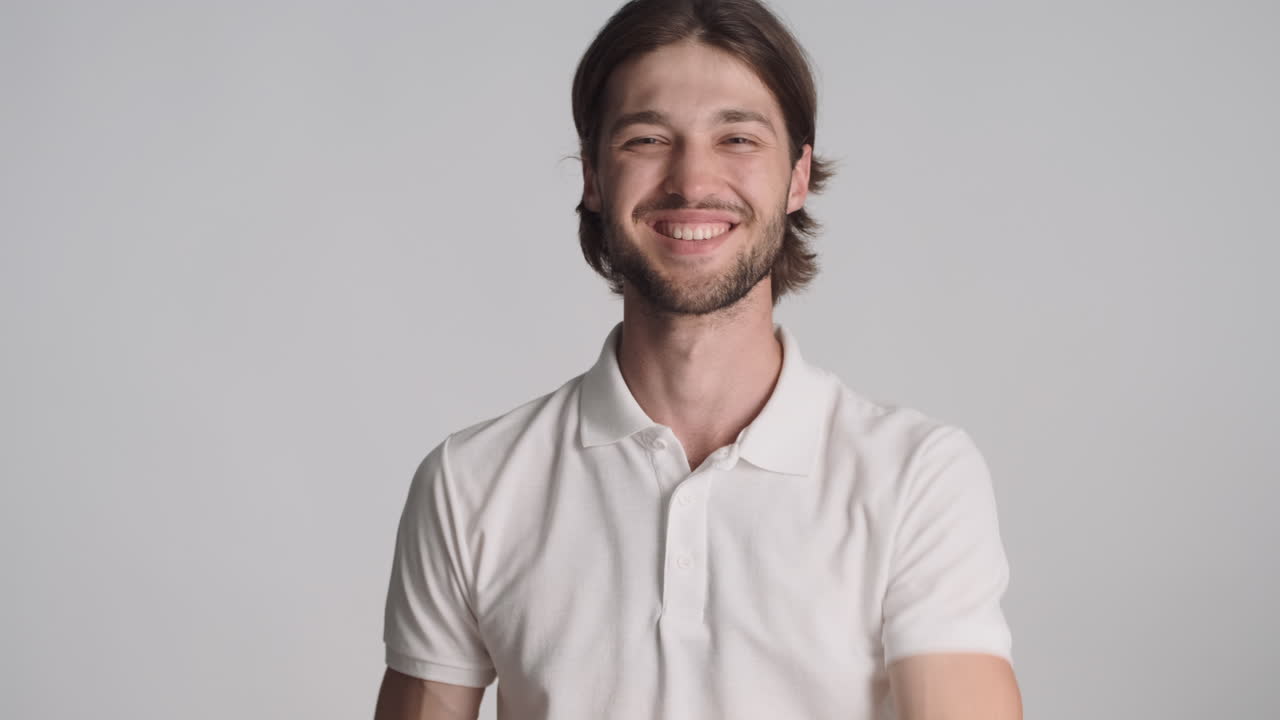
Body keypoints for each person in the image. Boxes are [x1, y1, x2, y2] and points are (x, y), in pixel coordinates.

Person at [375, 0, 1022, 718]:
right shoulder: (469, 484)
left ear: (797, 176)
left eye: (737, 138)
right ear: (593, 177)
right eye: (647, 139)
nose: (692, 181)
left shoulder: (916, 478)